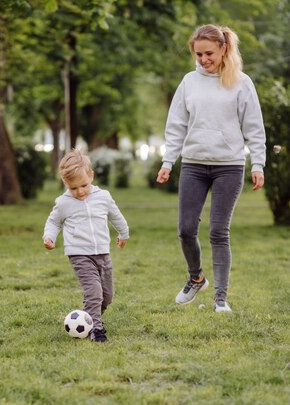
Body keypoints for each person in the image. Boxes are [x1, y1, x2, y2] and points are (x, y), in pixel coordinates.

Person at [156, 24, 266, 313]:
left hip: (228, 167)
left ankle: (221, 299)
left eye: (208, 53)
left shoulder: (241, 83)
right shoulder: (189, 82)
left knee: (219, 231)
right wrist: (168, 162)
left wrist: (258, 164)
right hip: (193, 165)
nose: (203, 59)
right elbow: (176, 125)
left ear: (223, 49)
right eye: (198, 54)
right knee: (185, 229)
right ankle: (196, 277)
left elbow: (254, 128)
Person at [43, 149, 129, 342]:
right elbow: (54, 222)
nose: (80, 192)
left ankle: (90, 317)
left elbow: (116, 216)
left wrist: (124, 233)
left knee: (107, 296)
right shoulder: (63, 202)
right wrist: (49, 237)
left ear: (91, 176)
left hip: (103, 253)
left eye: (83, 185)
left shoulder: (103, 197)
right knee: (94, 291)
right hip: (79, 254)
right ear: (66, 184)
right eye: (74, 188)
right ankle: (95, 329)